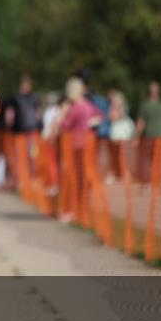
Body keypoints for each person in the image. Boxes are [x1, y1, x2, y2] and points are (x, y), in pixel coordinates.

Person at [57, 76, 102, 222]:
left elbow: (64, 126)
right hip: (88, 144)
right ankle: (82, 209)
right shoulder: (88, 105)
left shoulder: (75, 107)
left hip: (75, 146)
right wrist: (91, 122)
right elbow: (100, 115)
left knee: (74, 179)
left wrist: (63, 114)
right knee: (83, 178)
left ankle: (73, 210)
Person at [135, 81, 161, 182]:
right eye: (152, 90)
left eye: (155, 90)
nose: (154, 92)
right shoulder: (145, 105)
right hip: (148, 137)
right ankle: (149, 181)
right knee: (148, 160)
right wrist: (137, 136)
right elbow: (141, 122)